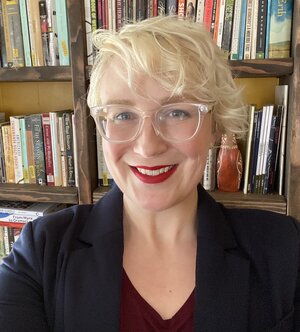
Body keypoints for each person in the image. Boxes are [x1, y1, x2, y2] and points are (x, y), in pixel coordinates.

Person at [0, 15, 299, 332]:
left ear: (215, 126)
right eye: (123, 114)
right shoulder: (42, 249)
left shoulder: (285, 249)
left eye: (177, 112)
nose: (147, 146)